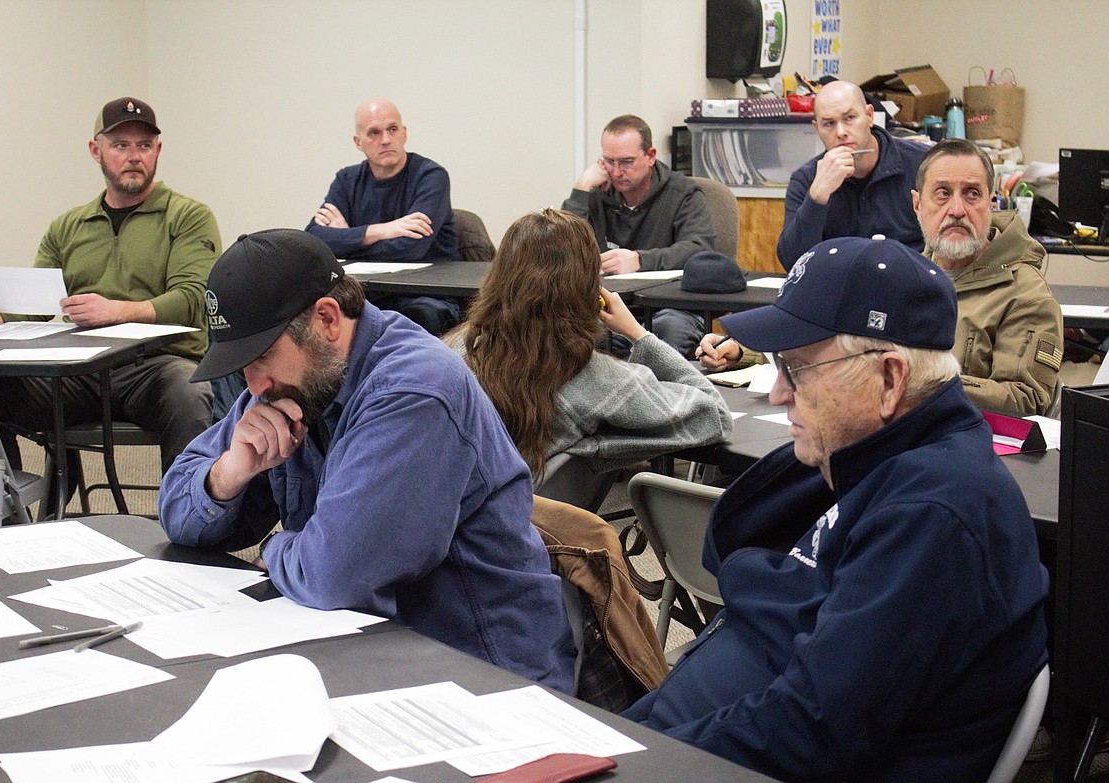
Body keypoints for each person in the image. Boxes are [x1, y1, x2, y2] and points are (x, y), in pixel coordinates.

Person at [624, 236, 1048, 782]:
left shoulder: (934, 514)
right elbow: (729, 543)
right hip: (697, 734)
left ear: (891, 379)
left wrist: (632, 755)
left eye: (796, 369)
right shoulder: (874, 452)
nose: (779, 394)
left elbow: (809, 732)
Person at [159, 229, 575, 691]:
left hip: (480, 677)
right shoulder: (291, 386)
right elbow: (176, 513)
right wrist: (226, 476)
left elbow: (335, 575)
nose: (252, 384)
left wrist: (273, 549)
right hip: (368, 653)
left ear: (327, 319)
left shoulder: (414, 390)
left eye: (260, 357)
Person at [0, 96, 220, 475]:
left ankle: (186, 522)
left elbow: (192, 299)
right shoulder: (68, 226)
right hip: (79, 372)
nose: (134, 155)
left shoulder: (188, 216)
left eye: (144, 145)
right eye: (120, 145)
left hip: (156, 366)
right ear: (96, 150)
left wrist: (116, 311)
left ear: (158, 150)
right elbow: (34, 308)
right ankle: (4, 518)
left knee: (191, 395)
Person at [447, 209, 733, 479]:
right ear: (590, 289)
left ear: (497, 277)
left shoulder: (451, 352)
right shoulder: (599, 380)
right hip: (528, 520)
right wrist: (638, 333)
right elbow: (715, 416)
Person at [913, 138, 1062, 416]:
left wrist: (931, 384)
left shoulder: (1025, 294)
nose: (957, 209)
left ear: (992, 204)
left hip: (974, 446)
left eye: (971, 194)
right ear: (917, 205)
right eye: (942, 193)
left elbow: (1027, 399)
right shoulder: (903, 279)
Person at [562, 114, 718, 355]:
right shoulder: (596, 194)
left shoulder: (683, 193)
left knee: (669, 332)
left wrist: (639, 260)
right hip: (609, 307)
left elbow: (699, 249)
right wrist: (581, 188)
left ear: (651, 156)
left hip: (669, 307)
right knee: (571, 333)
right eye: (609, 162)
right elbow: (562, 246)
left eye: (626, 161)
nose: (616, 171)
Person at [305, 98, 460, 335]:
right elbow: (314, 239)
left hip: (427, 295)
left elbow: (411, 249)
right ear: (358, 142)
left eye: (392, 129)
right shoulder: (346, 181)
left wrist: (347, 239)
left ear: (404, 133)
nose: (386, 139)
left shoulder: (431, 176)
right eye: (374, 133)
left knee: (417, 318)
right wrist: (381, 230)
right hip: (368, 295)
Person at [776, 80, 926, 270]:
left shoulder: (922, 163)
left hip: (912, 284)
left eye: (849, 118)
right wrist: (817, 197)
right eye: (829, 124)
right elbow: (792, 263)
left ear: (869, 116)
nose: (840, 132)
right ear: (817, 129)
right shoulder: (807, 179)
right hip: (840, 290)